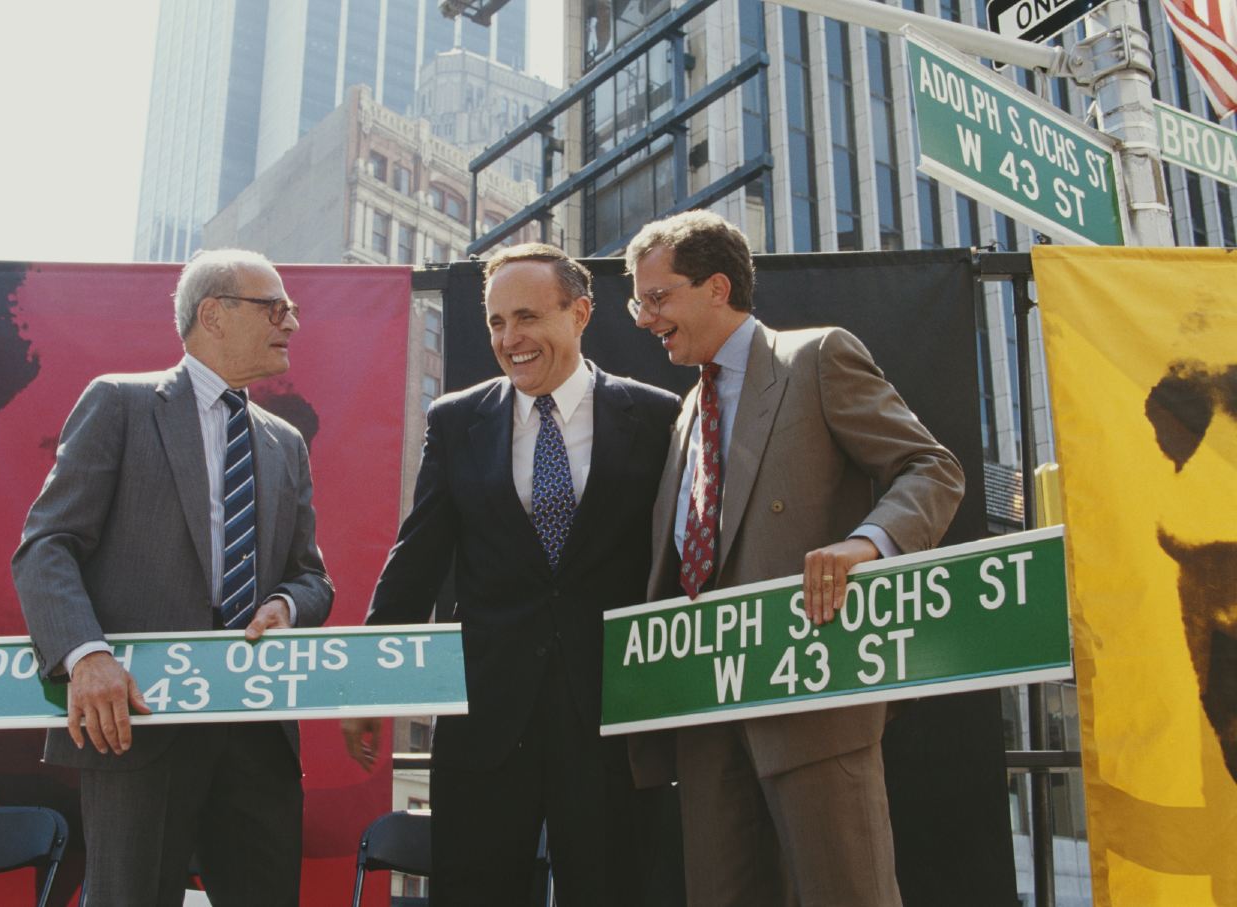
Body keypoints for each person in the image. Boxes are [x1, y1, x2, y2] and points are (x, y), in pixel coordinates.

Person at [625, 211, 964, 907]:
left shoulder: (816, 359)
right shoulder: (688, 411)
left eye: (657, 298)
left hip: (813, 701)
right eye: (638, 301)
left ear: (717, 287)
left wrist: (866, 543)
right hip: (708, 718)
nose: (644, 318)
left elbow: (931, 468)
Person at [341, 243, 681, 906]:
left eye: (525, 317)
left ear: (579, 312)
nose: (509, 338)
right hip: (487, 720)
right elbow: (416, 560)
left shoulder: (658, 417)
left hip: (613, 718)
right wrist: (367, 682)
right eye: (496, 322)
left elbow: (682, 561)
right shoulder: (456, 420)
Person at [12, 249, 333, 906]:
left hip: (256, 732)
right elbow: (47, 545)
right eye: (274, 307)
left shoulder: (285, 443)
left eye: (291, 309)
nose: (291, 322)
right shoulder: (120, 404)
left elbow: (311, 578)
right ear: (213, 314)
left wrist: (284, 605)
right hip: (136, 722)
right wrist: (85, 655)